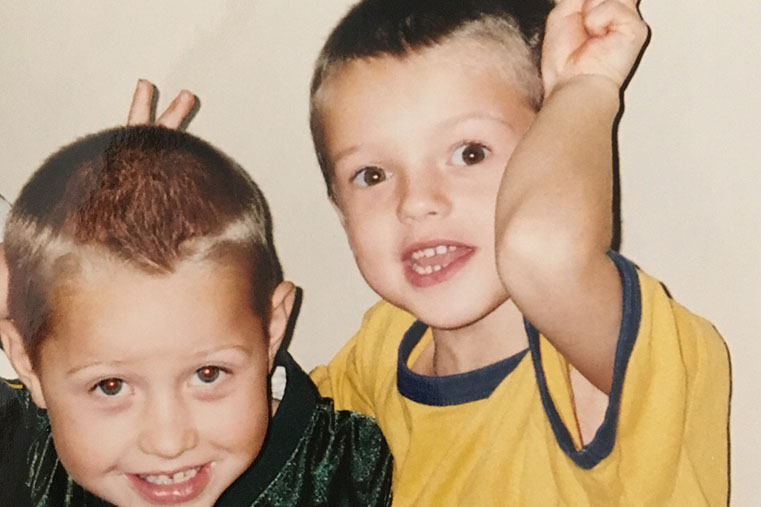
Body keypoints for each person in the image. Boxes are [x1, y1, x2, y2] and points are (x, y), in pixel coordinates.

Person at [305, 0, 730, 505]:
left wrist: (583, 85)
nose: (416, 203)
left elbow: (540, 252)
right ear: (338, 206)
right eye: (372, 175)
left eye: (470, 153)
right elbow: (263, 441)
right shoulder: (382, 346)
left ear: (548, 150)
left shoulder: (607, 359)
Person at [0, 125, 392, 506]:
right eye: (111, 386)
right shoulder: (25, 454)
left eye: (209, 374)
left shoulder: (353, 471)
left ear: (272, 330)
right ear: (27, 364)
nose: (169, 442)